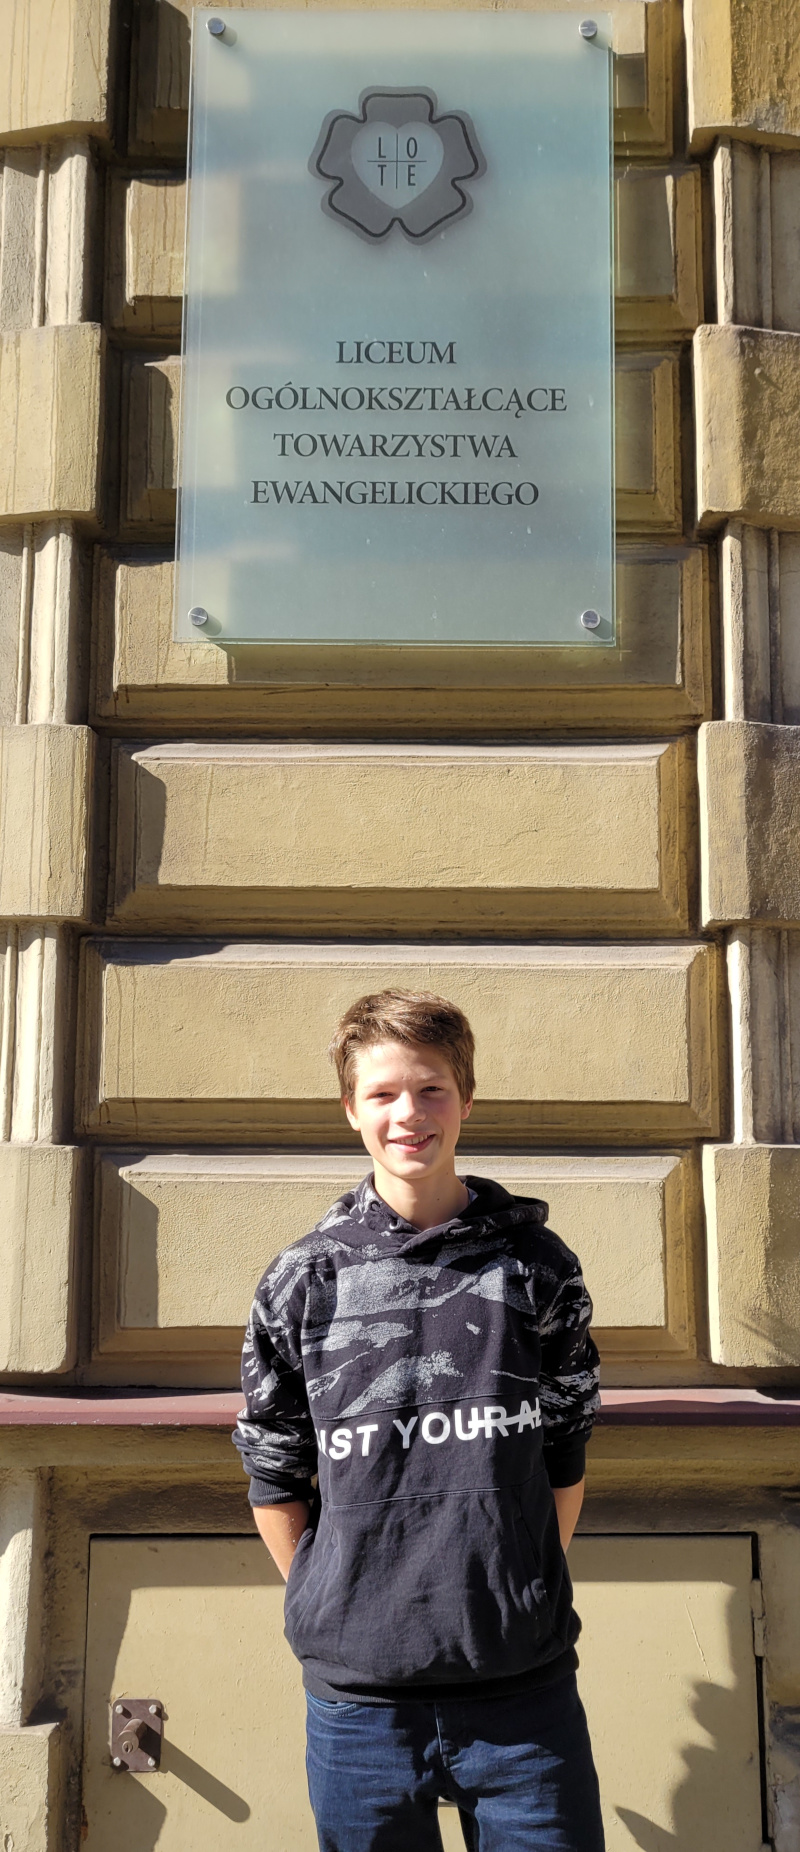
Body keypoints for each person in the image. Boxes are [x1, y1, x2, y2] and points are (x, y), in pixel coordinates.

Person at [233, 988, 604, 1852]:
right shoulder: (304, 1281)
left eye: (432, 1089)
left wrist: (514, 1584)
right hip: (361, 1708)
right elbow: (275, 1472)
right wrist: (336, 1596)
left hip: (523, 1697)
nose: (410, 1113)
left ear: (466, 1099)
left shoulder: (535, 1268)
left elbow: (565, 1451)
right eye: (384, 1093)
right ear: (351, 1109)